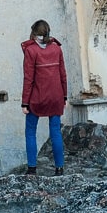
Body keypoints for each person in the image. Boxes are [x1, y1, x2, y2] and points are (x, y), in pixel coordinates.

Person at [21, 19, 67, 175]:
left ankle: (32, 168)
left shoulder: (30, 50)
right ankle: (59, 168)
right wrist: (65, 96)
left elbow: (28, 79)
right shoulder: (56, 49)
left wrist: (24, 103)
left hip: (37, 99)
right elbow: (63, 75)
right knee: (55, 131)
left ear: (33, 32)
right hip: (56, 97)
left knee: (30, 131)